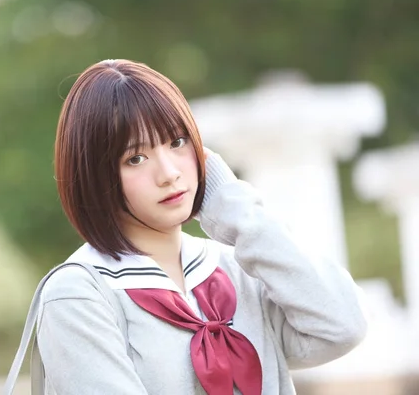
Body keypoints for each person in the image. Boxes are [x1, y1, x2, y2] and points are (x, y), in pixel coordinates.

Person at [38, 59, 367, 395]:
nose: (169, 173)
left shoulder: (237, 267)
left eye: (177, 142)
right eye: (135, 158)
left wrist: (235, 209)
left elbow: (342, 326)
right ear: (95, 177)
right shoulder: (80, 294)